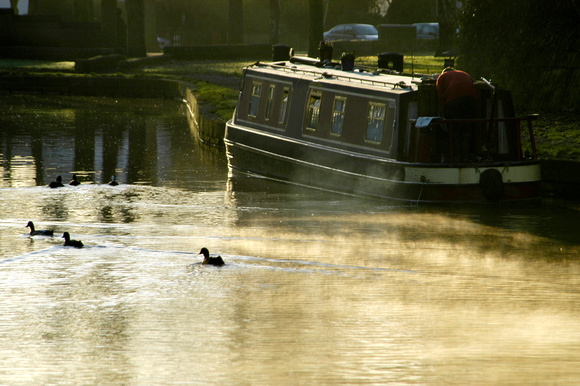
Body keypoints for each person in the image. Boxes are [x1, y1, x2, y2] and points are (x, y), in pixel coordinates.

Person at [436, 67, 478, 161]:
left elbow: (440, 96)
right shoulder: (464, 73)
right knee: (467, 127)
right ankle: (466, 155)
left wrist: (445, 111)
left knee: (454, 127)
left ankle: (457, 155)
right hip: (471, 98)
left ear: (444, 72)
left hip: (454, 99)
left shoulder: (442, 77)